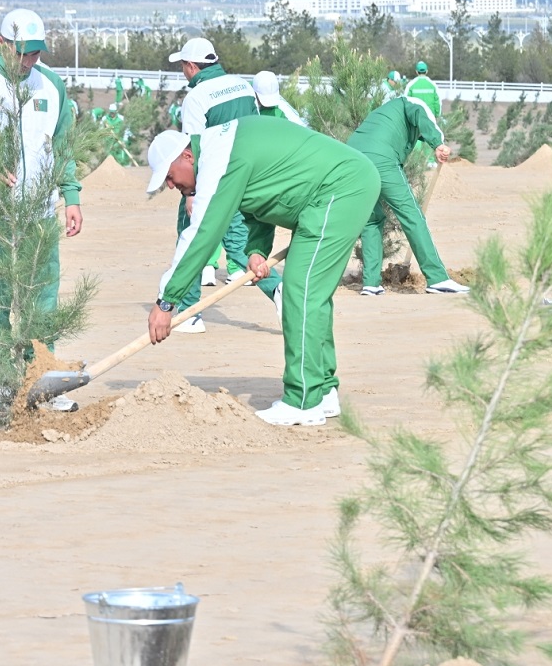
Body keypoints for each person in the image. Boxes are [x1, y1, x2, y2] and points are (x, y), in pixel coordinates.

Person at [146, 117, 381, 426]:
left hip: (339, 189)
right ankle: (322, 392)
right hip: (334, 191)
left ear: (187, 156)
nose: (172, 186)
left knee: (300, 293)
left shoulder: (219, 160)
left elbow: (202, 234)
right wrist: (257, 250)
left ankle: (302, 401)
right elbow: (264, 192)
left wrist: (167, 302)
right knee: (310, 294)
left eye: (171, 177)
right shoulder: (225, 146)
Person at [0, 8, 82, 413]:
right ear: (1, 44)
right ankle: (4, 386)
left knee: (41, 301)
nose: (29, 61)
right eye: (22, 52)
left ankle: (41, 383)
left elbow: (64, 147)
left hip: (39, 214)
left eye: (36, 53)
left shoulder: (52, 86)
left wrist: (71, 195)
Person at [169, 36, 282, 332]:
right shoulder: (242, 86)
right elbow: (256, 128)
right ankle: (278, 290)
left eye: (183, 66)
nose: (183, 72)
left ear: (192, 67)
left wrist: (191, 193)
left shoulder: (196, 98)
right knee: (238, 242)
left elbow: (191, 148)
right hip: (246, 176)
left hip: (211, 178)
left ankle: (190, 312)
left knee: (191, 238)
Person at [349, 96, 469, 297]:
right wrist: (438, 143)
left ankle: (371, 284)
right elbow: (420, 115)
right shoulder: (412, 103)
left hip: (352, 160)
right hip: (381, 159)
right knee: (412, 215)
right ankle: (437, 278)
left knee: (371, 220)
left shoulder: (385, 114)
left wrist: (428, 142)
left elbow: (415, 130)